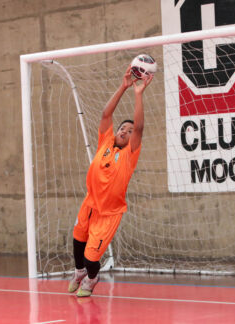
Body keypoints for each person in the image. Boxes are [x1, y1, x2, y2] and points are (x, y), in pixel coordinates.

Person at [68, 65, 153, 297]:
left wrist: (137, 94)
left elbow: (140, 128)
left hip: (109, 213)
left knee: (91, 257)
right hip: (90, 203)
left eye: (129, 130)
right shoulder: (105, 142)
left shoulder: (129, 154)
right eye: (123, 128)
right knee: (77, 239)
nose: (125, 131)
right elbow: (106, 114)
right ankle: (79, 272)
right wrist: (123, 86)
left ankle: (93, 278)